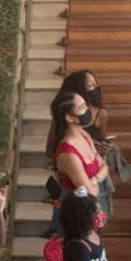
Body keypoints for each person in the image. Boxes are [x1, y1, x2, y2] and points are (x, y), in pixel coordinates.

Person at [50, 90, 113, 228]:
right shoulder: (68, 153)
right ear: (69, 117)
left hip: (89, 209)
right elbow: (90, 191)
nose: (87, 110)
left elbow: (104, 166)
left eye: (85, 105)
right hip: (74, 215)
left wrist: (94, 180)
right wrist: (96, 180)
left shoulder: (83, 133)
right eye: (82, 108)